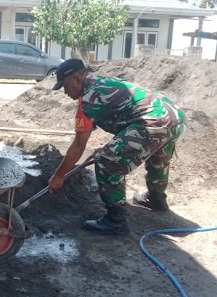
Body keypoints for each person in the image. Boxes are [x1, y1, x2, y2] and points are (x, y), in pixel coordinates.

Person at [47, 59, 185, 236]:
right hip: (174, 116)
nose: (65, 92)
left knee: (107, 161)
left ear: (77, 78)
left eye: (65, 86)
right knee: (158, 158)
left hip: (152, 122)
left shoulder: (88, 100)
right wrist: (112, 147)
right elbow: (125, 116)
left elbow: (79, 145)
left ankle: (116, 221)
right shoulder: (102, 82)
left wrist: (58, 176)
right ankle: (156, 198)